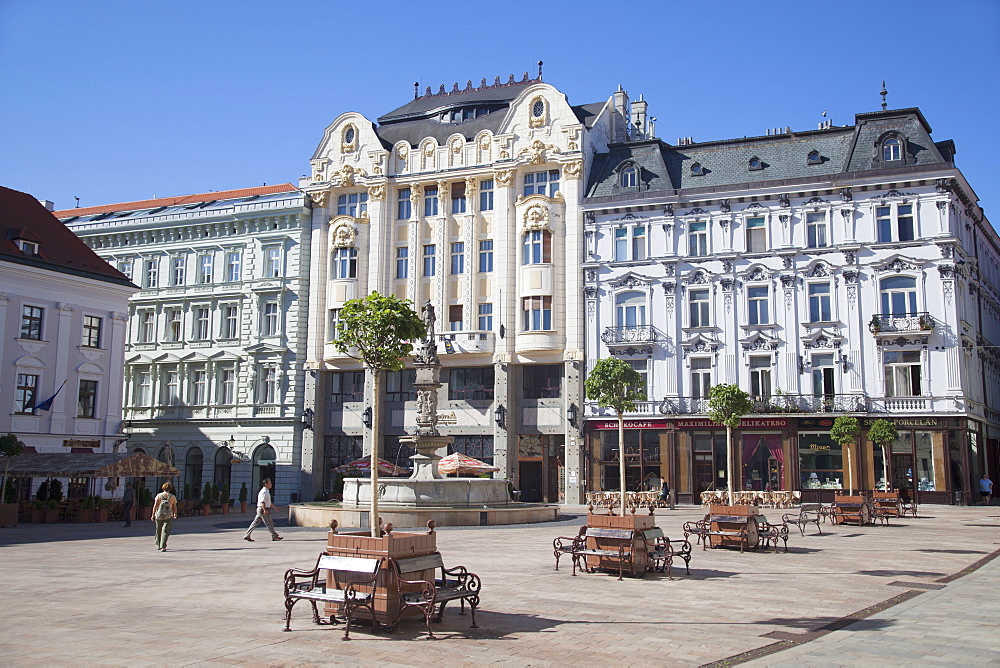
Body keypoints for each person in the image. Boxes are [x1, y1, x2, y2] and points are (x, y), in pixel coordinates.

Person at [150, 482, 177, 551]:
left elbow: (155, 506)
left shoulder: (159, 495)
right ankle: (163, 546)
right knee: (165, 530)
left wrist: (153, 515)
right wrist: (175, 514)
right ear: (170, 489)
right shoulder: (172, 496)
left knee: (158, 530)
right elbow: (174, 507)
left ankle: (158, 544)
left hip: (159, 515)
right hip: (168, 515)